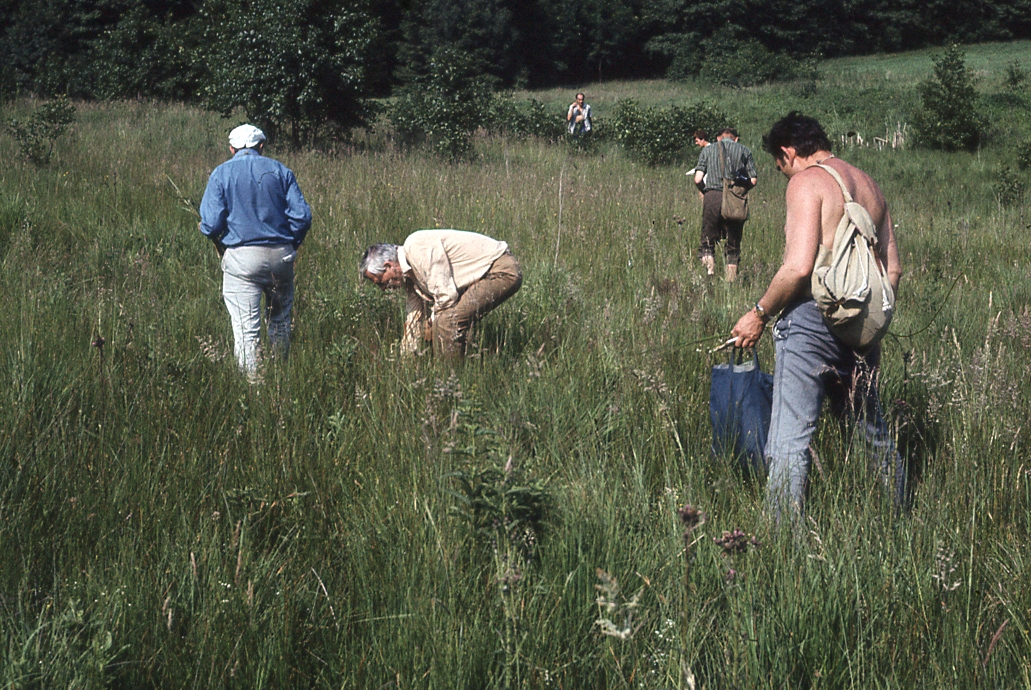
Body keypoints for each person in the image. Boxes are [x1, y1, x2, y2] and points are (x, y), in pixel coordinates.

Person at [730, 112, 904, 519]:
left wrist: (758, 314)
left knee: (790, 439)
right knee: (872, 434)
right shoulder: (870, 186)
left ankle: (782, 546)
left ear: (788, 153)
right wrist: (866, 322)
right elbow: (892, 269)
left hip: (810, 320)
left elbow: (798, 268)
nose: (783, 173)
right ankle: (899, 522)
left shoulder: (807, 182)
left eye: (780, 165)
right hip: (864, 326)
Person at [199, 124, 312, 379]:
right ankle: (281, 376)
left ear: (231, 148)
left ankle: (255, 388)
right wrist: (291, 244)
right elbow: (302, 217)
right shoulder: (281, 170)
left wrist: (208, 230)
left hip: (242, 260)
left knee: (246, 330)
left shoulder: (221, 174)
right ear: (262, 146)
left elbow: (211, 223)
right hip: (281, 256)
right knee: (280, 321)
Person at [360, 230, 522, 358]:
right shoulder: (410, 277)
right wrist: (405, 356)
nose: (383, 288)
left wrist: (431, 323)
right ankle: (451, 374)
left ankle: (449, 384)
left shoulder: (416, 247)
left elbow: (446, 296)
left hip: (500, 270)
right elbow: (414, 318)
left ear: (389, 266)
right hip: (486, 273)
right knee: (440, 321)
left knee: (447, 321)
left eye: (380, 281)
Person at [693, 127, 757, 282]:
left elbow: (697, 178)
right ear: (736, 138)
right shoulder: (744, 150)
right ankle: (730, 283)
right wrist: (739, 191)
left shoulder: (708, 151)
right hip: (734, 199)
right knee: (733, 243)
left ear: (718, 138)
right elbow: (753, 180)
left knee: (707, 241)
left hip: (712, 197)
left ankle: (709, 276)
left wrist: (706, 191)